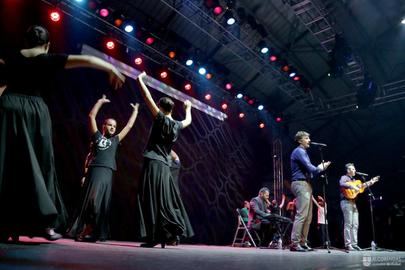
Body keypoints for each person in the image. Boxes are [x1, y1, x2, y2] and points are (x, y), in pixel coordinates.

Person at [0, 25, 125, 242]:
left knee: (8, 164)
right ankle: (45, 223)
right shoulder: (49, 59)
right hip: (35, 112)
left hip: (8, 108)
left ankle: (6, 224)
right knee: (41, 164)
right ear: (47, 45)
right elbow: (87, 60)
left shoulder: (11, 58)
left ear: (25, 42)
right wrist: (111, 68)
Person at [67, 95, 139, 242]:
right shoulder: (97, 137)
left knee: (99, 203)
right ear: (103, 126)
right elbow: (91, 116)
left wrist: (135, 111)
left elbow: (129, 126)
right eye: (110, 125)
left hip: (107, 172)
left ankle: (92, 231)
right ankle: (86, 229)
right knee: (91, 201)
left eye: (114, 126)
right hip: (94, 172)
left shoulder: (115, 140)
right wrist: (100, 102)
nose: (112, 127)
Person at [136, 71, 194, 248]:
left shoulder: (160, 118)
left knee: (150, 198)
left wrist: (140, 79)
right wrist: (188, 108)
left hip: (153, 162)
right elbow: (188, 121)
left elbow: (147, 96)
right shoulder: (176, 125)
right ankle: (169, 233)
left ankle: (154, 237)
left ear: (161, 108)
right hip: (164, 165)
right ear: (171, 109)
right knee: (163, 200)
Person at [289, 131, 331, 252]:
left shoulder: (304, 152)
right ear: (299, 140)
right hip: (300, 183)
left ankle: (303, 242)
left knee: (308, 216)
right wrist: (319, 168)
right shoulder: (299, 151)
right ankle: (295, 243)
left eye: (309, 138)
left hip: (306, 184)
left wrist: (318, 169)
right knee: (302, 214)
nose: (309, 140)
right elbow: (310, 167)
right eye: (306, 138)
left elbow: (310, 171)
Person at [340, 163, 362, 251]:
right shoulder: (344, 177)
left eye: (354, 169)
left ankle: (354, 244)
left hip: (353, 202)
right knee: (348, 224)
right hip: (346, 202)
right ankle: (348, 244)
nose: (355, 170)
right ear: (348, 170)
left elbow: (360, 188)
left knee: (355, 224)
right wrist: (353, 186)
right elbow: (342, 184)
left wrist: (371, 182)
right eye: (353, 169)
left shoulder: (355, 180)